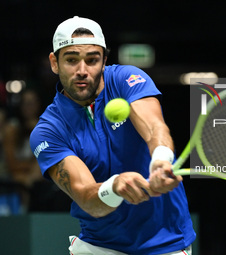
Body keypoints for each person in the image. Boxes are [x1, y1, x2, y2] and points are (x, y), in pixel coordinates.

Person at [30, 16, 195, 255]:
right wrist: (115, 187)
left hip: (166, 243)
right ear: (54, 63)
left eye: (92, 60)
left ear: (105, 60)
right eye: (71, 60)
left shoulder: (127, 79)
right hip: (99, 247)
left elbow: (154, 126)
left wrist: (160, 160)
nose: (82, 71)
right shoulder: (48, 131)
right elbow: (87, 198)